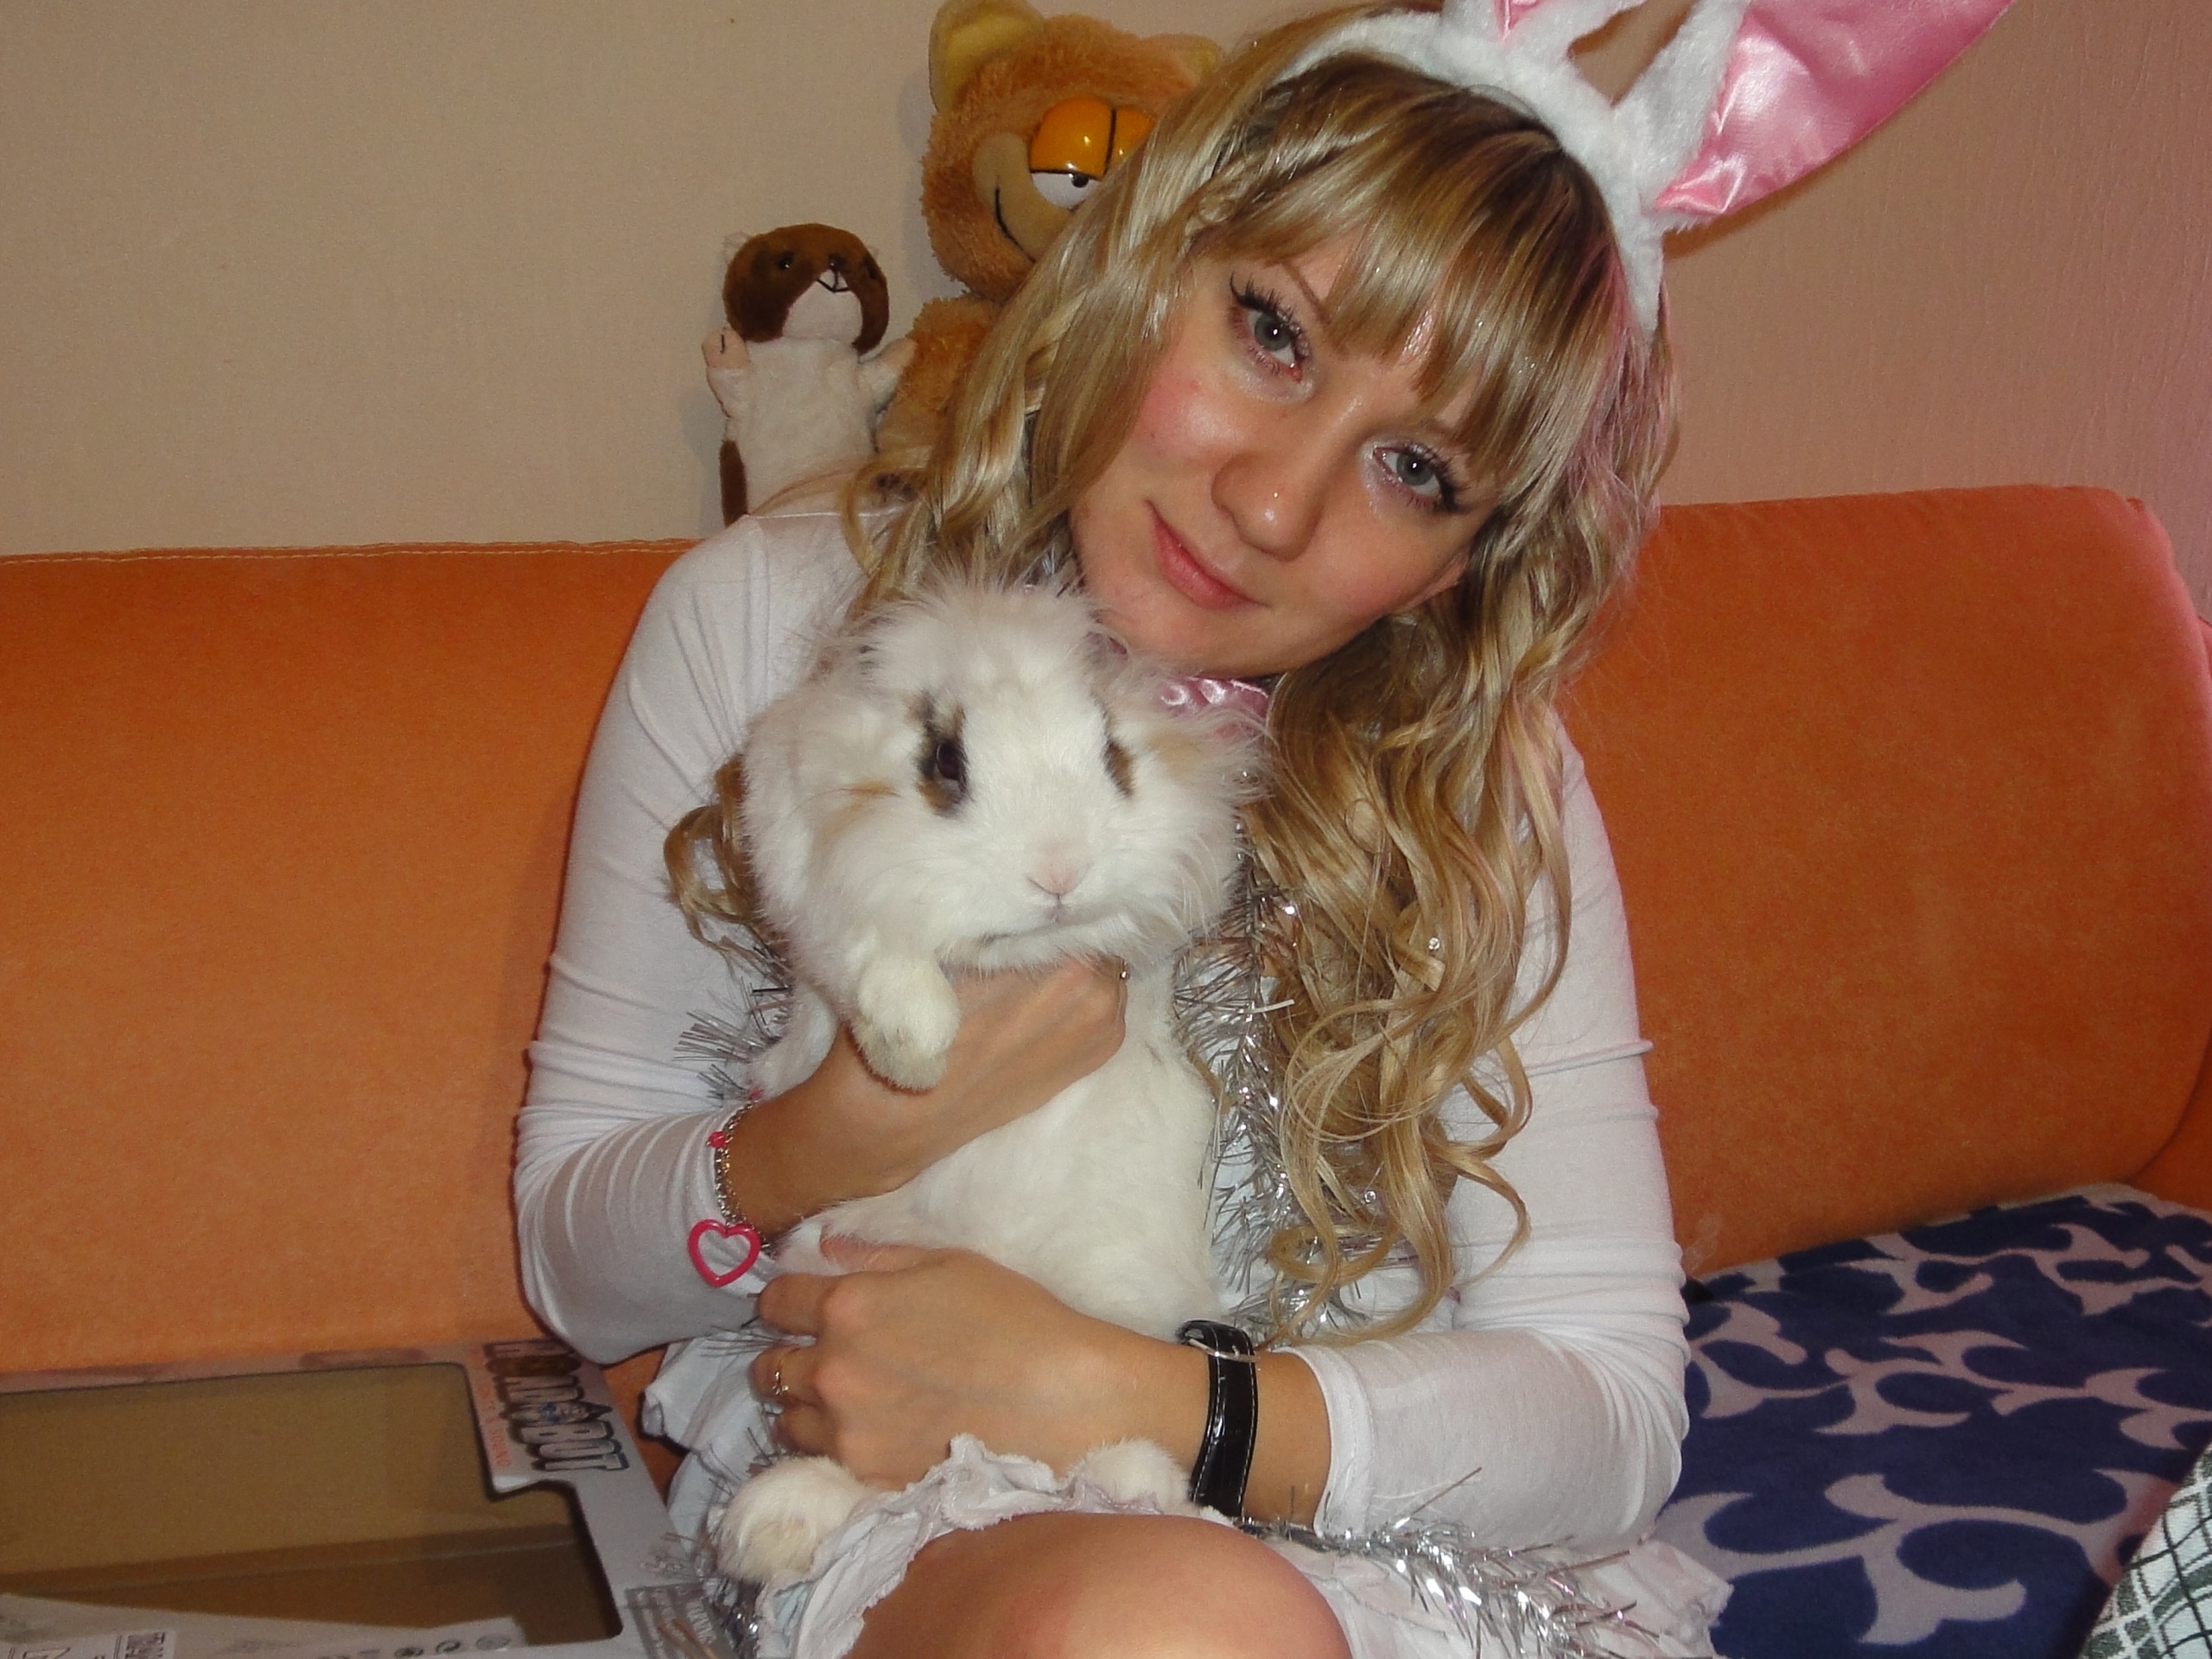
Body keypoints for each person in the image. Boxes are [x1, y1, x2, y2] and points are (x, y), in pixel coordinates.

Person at [518, 4, 1721, 1655]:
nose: (1274, 503)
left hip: (1393, 1540)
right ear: (1150, 253)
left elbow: (1611, 1405)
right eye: (1273, 333)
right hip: (925, 1509)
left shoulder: (1479, 775)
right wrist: (842, 1128)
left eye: (1414, 469)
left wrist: (1146, 1401)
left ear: (1463, 562)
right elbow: (576, 1268)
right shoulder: (768, 624)